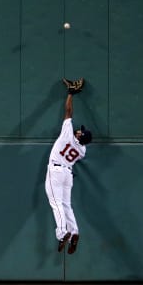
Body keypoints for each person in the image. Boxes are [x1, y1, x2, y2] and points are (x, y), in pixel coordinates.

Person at [45, 78, 92, 254]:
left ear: (79, 136)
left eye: (80, 131)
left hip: (56, 171)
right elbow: (77, 134)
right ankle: (74, 232)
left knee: (56, 204)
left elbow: (68, 111)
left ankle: (63, 232)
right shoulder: (82, 150)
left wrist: (71, 94)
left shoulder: (67, 135)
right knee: (66, 205)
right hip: (67, 174)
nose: (78, 130)